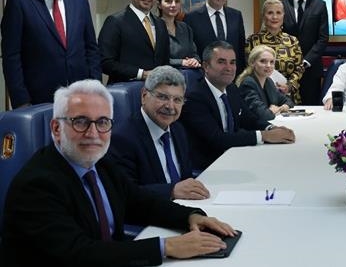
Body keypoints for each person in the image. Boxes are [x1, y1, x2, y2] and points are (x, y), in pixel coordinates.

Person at [0, 79, 236, 266]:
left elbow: (140, 202)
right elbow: (79, 254)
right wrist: (168, 247)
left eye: (102, 122)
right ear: (56, 128)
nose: (93, 133)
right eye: (80, 122)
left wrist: (191, 217)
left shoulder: (100, 164)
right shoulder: (37, 185)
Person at [1, 0, 101, 108]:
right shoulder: (19, 2)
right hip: (39, 98)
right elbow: (11, 56)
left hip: (82, 94)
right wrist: (21, 101)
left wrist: (96, 86)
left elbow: (91, 47)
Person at [180, 41, 296, 170]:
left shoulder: (231, 89)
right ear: (206, 66)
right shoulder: (194, 97)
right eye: (221, 62)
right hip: (207, 168)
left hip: (234, 157)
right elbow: (217, 139)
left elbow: (248, 119)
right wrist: (264, 135)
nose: (229, 68)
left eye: (232, 62)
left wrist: (271, 128)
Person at [108, 66, 209, 200]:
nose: (170, 106)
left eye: (177, 100)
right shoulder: (122, 138)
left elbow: (186, 179)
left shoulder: (178, 130)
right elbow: (125, 194)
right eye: (162, 97)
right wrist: (171, 191)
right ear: (144, 96)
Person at [98, 0, 170, 83]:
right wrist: (141, 74)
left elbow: (165, 60)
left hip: (157, 89)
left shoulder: (160, 24)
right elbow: (105, 62)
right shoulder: (115, 21)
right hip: (127, 89)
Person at [281, 0, 329, 105]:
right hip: (286, 70)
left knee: (312, 110)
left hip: (311, 69)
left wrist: (306, 61)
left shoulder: (320, 5)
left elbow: (323, 38)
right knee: (286, 109)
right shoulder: (280, 4)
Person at [246, 0, 304, 104]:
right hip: (261, 97)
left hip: (288, 96)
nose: (275, 17)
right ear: (263, 16)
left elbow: (299, 68)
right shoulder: (253, 40)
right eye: (270, 13)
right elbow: (249, 68)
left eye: (278, 13)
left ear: (283, 15)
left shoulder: (292, 41)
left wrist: (289, 86)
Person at [184, 0, 247, 71]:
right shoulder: (191, 18)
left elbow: (240, 48)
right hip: (203, 74)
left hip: (232, 74)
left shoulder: (236, 16)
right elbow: (189, 51)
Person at [237, 45, 294, 121]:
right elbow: (263, 115)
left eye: (272, 62)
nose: (268, 65)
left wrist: (281, 108)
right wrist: (272, 111)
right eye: (263, 61)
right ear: (252, 63)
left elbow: (288, 101)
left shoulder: (268, 81)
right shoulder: (248, 83)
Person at [158, 0, 201, 69]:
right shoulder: (153, 27)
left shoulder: (185, 28)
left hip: (187, 74)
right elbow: (156, 59)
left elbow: (194, 54)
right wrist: (181, 62)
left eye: (177, 1)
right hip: (164, 74)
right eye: (168, 1)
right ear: (159, 5)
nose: (173, 5)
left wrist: (194, 60)